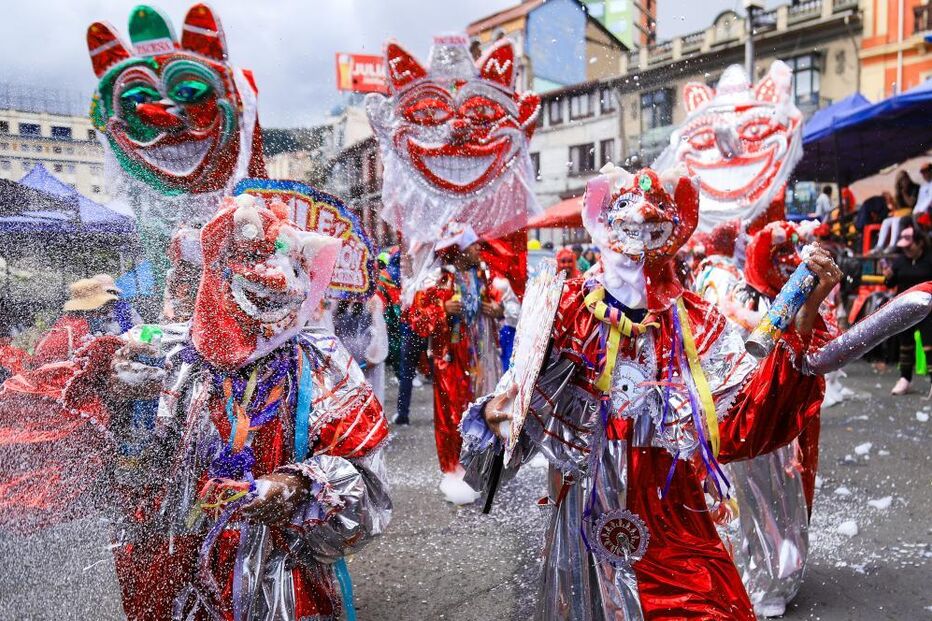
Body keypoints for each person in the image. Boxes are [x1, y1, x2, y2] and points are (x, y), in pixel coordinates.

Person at [461, 166, 841, 620]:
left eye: (657, 214)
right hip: (585, 520)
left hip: (674, 517)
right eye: (626, 211)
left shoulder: (698, 322)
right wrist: (497, 419)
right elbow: (511, 428)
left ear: (675, 229)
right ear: (602, 222)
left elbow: (743, 429)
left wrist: (799, 331)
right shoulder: (564, 309)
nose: (641, 221)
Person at [719, 221, 835, 617]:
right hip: (749, 412)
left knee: (788, 496)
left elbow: (818, 355)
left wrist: (810, 309)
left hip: (791, 414)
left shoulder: (804, 294)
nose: (786, 261)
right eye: (778, 253)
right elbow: (733, 357)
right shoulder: (739, 294)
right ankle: (757, 574)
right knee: (751, 496)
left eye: (792, 253)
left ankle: (781, 571)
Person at [408, 222, 503, 504]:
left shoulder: (482, 274)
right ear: (459, 250)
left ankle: (479, 468)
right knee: (452, 417)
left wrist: (496, 310)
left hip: (480, 357)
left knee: (484, 410)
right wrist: (442, 308)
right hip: (449, 358)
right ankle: (453, 471)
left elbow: (498, 306)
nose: (478, 249)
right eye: (472, 245)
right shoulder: (439, 278)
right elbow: (415, 318)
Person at [884, 226, 932, 395]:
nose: (906, 249)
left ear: (920, 243)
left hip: (928, 309)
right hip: (905, 308)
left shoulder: (929, 260)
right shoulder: (900, 261)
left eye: (909, 246)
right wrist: (888, 277)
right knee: (905, 345)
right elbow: (890, 284)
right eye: (903, 247)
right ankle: (905, 379)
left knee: (929, 345)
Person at [30, 278, 120, 367]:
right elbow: (84, 360)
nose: (105, 309)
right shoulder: (81, 326)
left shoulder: (65, 320)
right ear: (94, 307)